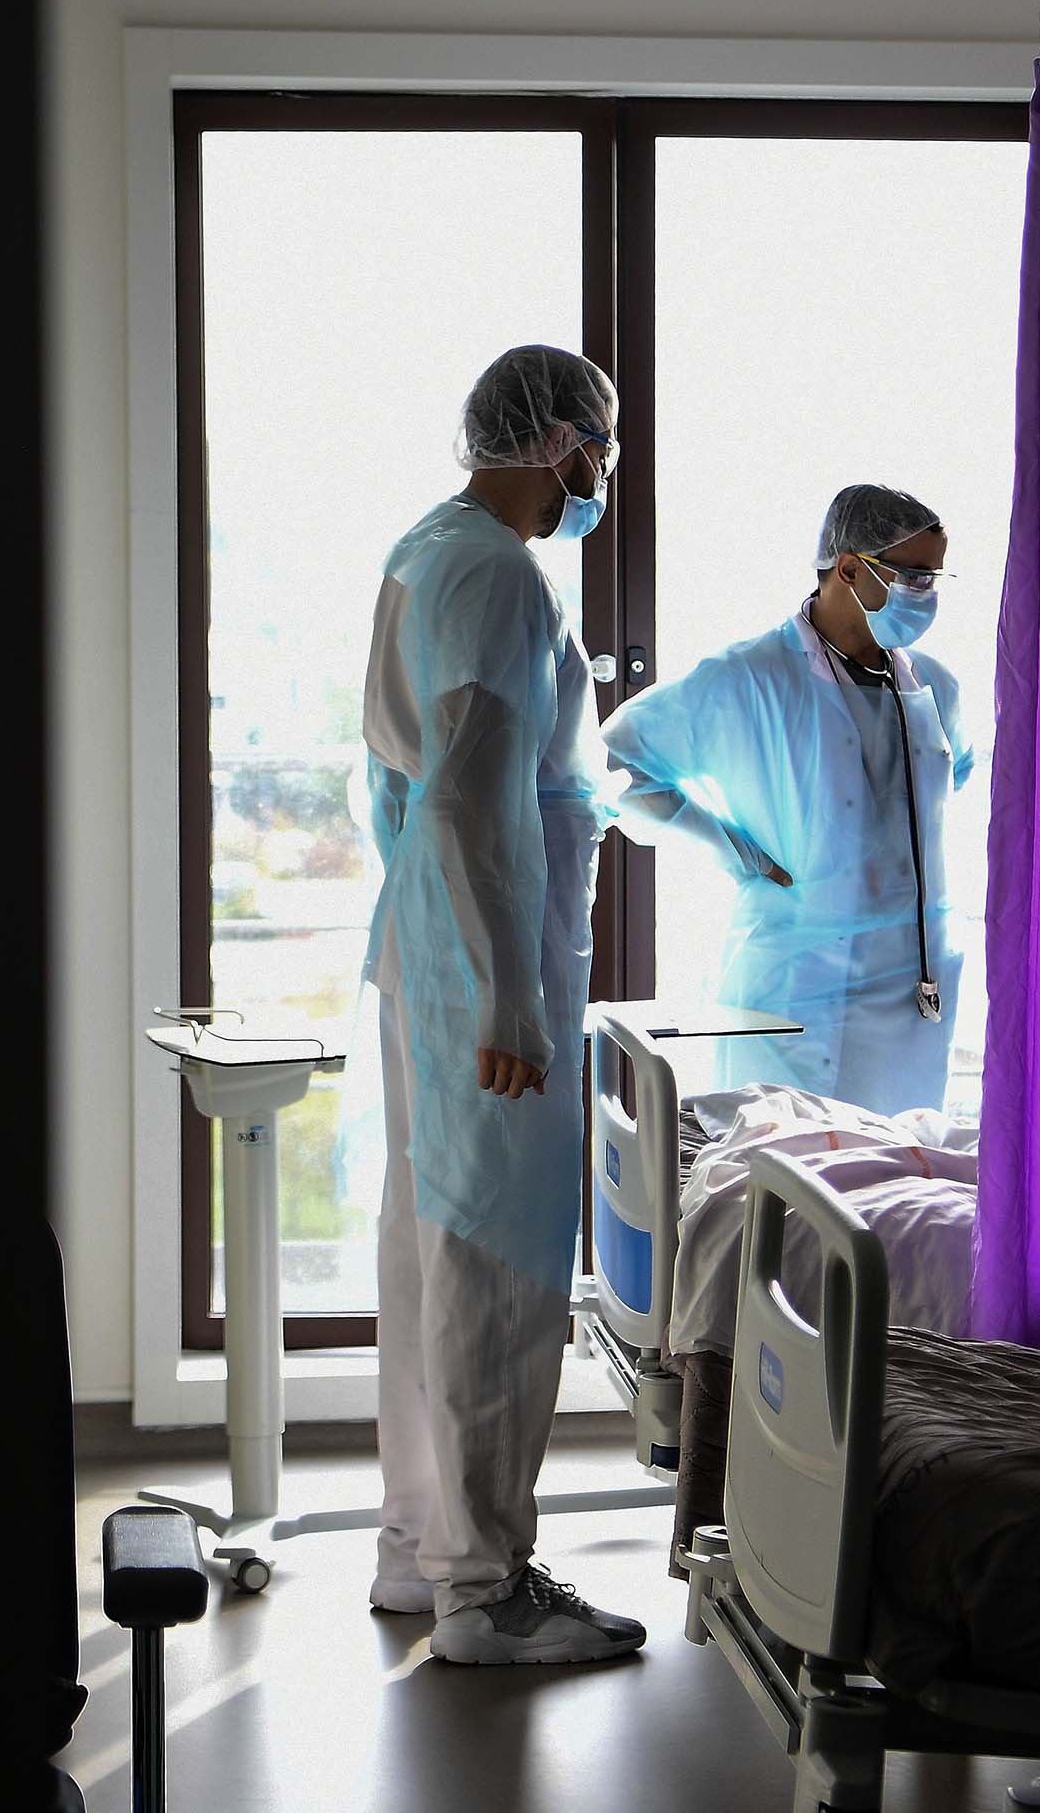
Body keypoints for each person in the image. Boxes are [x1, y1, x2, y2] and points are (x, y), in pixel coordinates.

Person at [358, 343, 646, 1665]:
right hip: (482, 969)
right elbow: (473, 789)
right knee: (494, 1266)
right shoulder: (496, 571)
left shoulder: (427, 550)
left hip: (435, 949)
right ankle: (488, 1593)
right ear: (561, 443)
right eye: (602, 442)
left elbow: (425, 779)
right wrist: (513, 995)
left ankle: (425, 1553)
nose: (605, 471)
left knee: (433, 1246)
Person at [603, 484, 973, 1115]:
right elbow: (616, 765)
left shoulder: (935, 684)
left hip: (916, 985)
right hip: (800, 987)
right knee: (780, 1187)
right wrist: (730, 844)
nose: (926, 594)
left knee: (898, 1185)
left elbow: (950, 782)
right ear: (849, 568)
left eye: (934, 576)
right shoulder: (750, 676)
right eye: (912, 576)